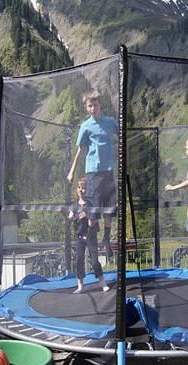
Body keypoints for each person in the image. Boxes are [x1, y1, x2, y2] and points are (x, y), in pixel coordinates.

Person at [67, 89, 118, 258]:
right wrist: (72, 171)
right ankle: (92, 243)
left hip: (108, 171)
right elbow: (80, 149)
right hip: (93, 173)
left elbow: (121, 135)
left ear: (99, 105)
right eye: (90, 106)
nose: (93, 108)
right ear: (86, 108)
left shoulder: (110, 122)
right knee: (93, 212)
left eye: (95, 105)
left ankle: (106, 238)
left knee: (109, 209)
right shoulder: (86, 126)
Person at [68, 177, 110, 294]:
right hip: (80, 237)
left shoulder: (91, 205)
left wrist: (87, 216)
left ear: (87, 190)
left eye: (83, 188)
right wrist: (66, 216)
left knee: (95, 261)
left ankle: (103, 283)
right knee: (79, 261)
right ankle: (80, 286)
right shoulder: (74, 206)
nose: (81, 190)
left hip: (91, 237)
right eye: (79, 188)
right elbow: (69, 219)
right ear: (77, 190)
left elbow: (93, 222)